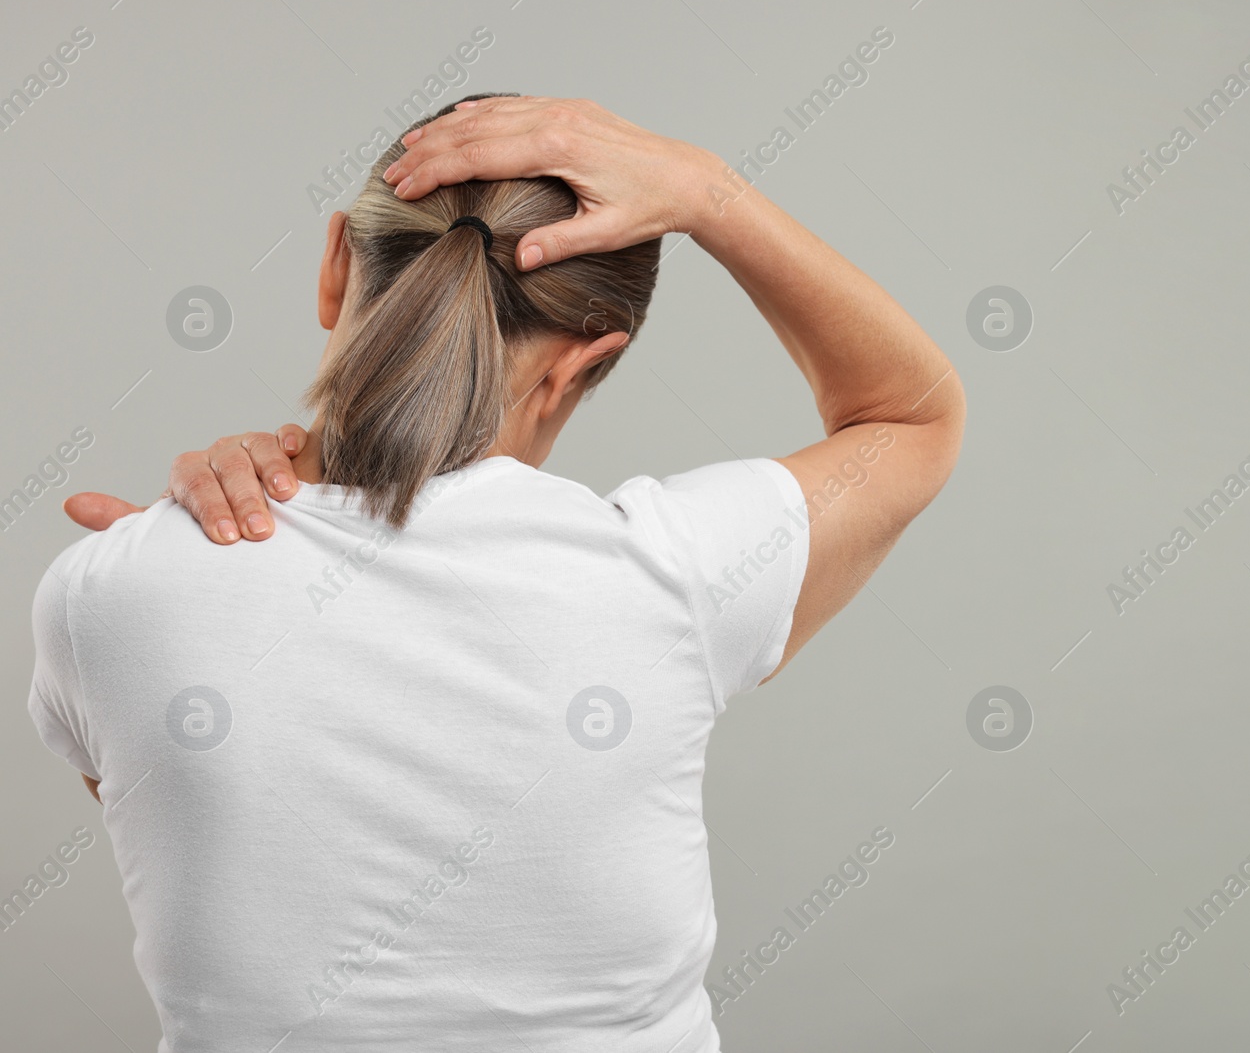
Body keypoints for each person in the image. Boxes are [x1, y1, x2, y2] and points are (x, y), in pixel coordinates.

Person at [32, 93, 964, 1052]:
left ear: (336, 265)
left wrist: (156, 570)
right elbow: (915, 415)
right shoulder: (673, 574)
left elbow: (193, 810)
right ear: (581, 366)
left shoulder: (108, 598)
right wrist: (704, 191)